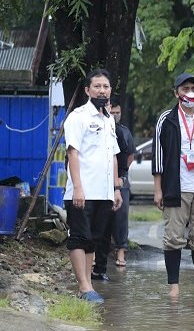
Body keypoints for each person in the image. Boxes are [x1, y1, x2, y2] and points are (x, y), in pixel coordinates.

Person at [152, 72, 194, 297]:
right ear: (176, 93)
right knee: (173, 237)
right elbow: (158, 155)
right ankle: (174, 286)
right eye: (185, 89)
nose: (190, 93)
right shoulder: (166, 118)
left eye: (193, 88)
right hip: (176, 186)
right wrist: (158, 189)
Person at [63, 68, 123, 304]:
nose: (102, 90)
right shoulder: (78, 116)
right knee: (79, 237)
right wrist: (77, 187)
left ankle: (87, 286)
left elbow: (114, 156)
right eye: (97, 86)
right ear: (88, 90)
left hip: (104, 192)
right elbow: (73, 152)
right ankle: (84, 286)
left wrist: (116, 188)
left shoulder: (108, 119)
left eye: (106, 86)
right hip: (83, 191)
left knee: (94, 240)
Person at [92, 98, 135, 280]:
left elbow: (127, 156)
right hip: (96, 181)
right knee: (97, 220)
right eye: (110, 109)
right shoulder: (92, 126)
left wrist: (120, 178)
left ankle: (119, 254)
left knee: (119, 218)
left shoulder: (122, 132)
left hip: (118, 181)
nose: (113, 113)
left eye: (116, 111)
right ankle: (93, 258)